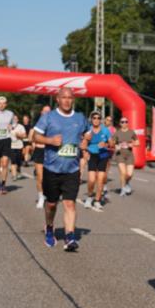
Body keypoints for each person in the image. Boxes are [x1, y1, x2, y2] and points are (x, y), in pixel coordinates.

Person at [32, 87, 89, 251]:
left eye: (70, 97)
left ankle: (70, 237)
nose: (66, 100)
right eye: (63, 97)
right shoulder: (48, 117)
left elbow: (88, 134)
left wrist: (85, 142)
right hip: (52, 168)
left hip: (72, 169)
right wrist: (49, 140)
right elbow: (35, 136)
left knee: (70, 203)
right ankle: (49, 227)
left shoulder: (80, 118)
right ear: (57, 99)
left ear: (73, 99)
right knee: (51, 205)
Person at [80, 112, 112, 211]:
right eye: (94, 118)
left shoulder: (105, 130)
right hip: (92, 155)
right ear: (91, 119)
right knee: (91, 180)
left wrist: (106, 144)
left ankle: (97, 200)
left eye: (98, 118)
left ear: (101, 120)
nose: (96, 119)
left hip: (103, 155)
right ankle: (89, 197)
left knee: (101, 179)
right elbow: (83, 146)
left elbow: (112, 144)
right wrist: (85, 150)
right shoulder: (88, 131)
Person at [112, 116, 140, 195]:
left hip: (129, 155)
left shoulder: (131, 132)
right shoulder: (117, 133)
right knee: (123, 173)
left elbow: (138, 143)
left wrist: (132, 144)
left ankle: (127, 182)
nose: (124, 123)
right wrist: (116, 146)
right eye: (122, 122)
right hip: (120, 154)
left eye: (126, 122)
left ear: (128, 123)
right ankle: (123, 188)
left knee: (130, 174)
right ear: (120, 124)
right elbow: (112, 142)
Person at [32, 106, 51, 208]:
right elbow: (32, 137)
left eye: (49, 111)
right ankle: (41, 197)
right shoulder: (38, 124)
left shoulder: (54, 124)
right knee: (40, 176)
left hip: (50, 151)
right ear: (41, 112)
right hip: (40, 151)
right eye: (45, 111)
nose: (47, 113)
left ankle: (49, 195)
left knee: (50, 177)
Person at [9, 116, 27, 181]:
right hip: (11, 146)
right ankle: (14, 176)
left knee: (18, 161)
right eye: (13, 119)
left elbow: (25, 135)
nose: (14, 120)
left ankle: (18, 170)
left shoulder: (21, 127)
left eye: (15, 119)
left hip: (19, 146)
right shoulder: (9, 127)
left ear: (18, 120)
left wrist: (19, 135)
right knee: (13, 161)